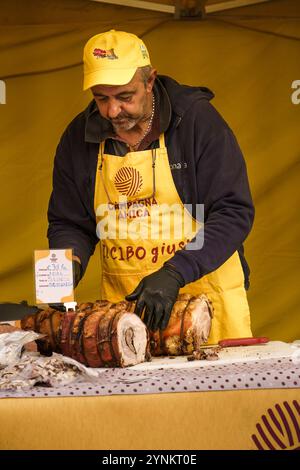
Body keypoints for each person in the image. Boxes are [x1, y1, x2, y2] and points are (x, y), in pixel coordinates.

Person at [47, 30, 255, 342]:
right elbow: (69, 221)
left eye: (125, 97)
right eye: (101, 98)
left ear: (149, 81)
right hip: (128, 313)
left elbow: (233, 212)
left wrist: (176, 272)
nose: (112, 111)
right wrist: (66, 266)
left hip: (208, 301)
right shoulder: (79, 137)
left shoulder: (197, 121)